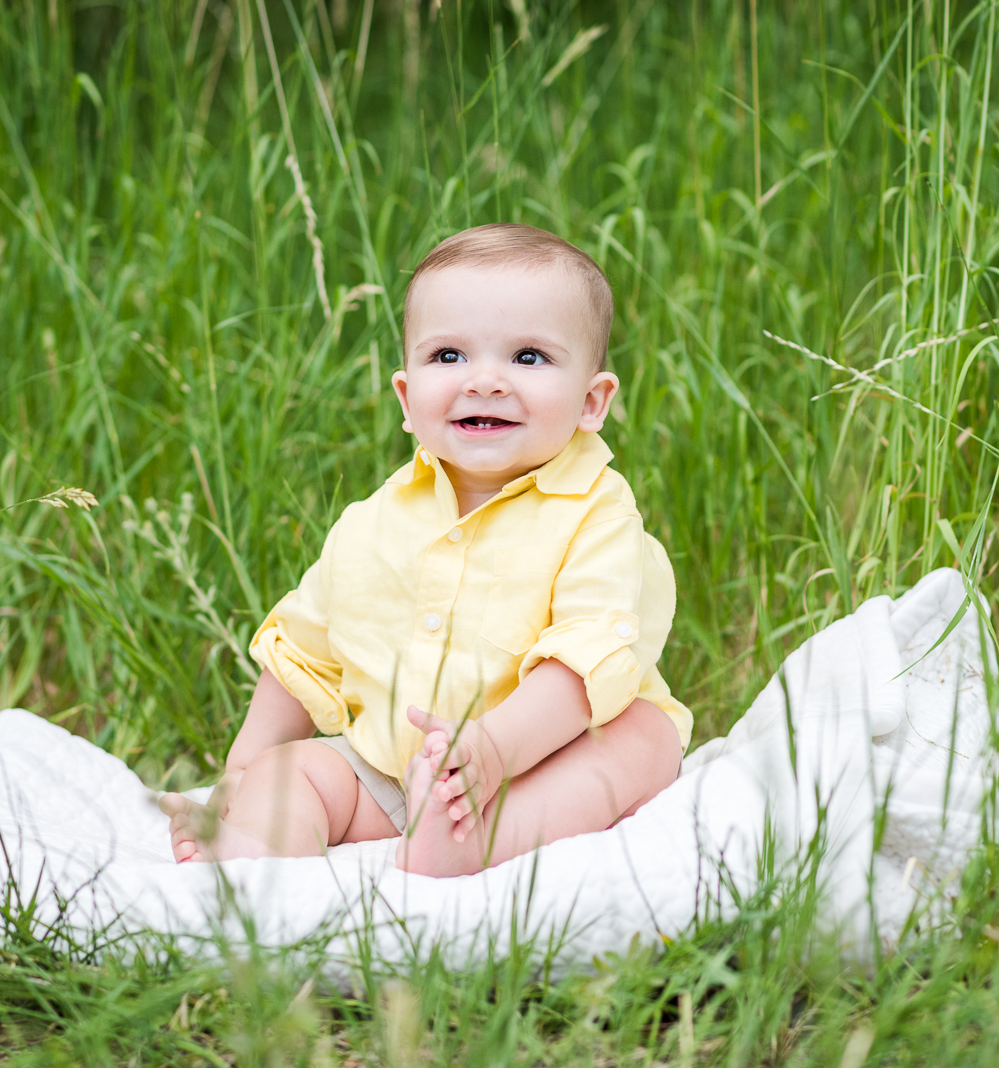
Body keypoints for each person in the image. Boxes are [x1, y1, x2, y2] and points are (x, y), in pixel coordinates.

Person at [158, 223, 692, 877]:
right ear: (408, 400)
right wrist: (240, 773)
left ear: (591, 401)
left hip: (549, 759)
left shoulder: (597, 514)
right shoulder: (374, 521)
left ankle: (482, 838)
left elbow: (585, 663)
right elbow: (302, 655)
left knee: (643, 737)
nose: (485, 381)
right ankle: (261, 857)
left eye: (527, 357)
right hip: (387, 769)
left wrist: (491, 752)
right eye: (448, 357)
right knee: (286, 772)